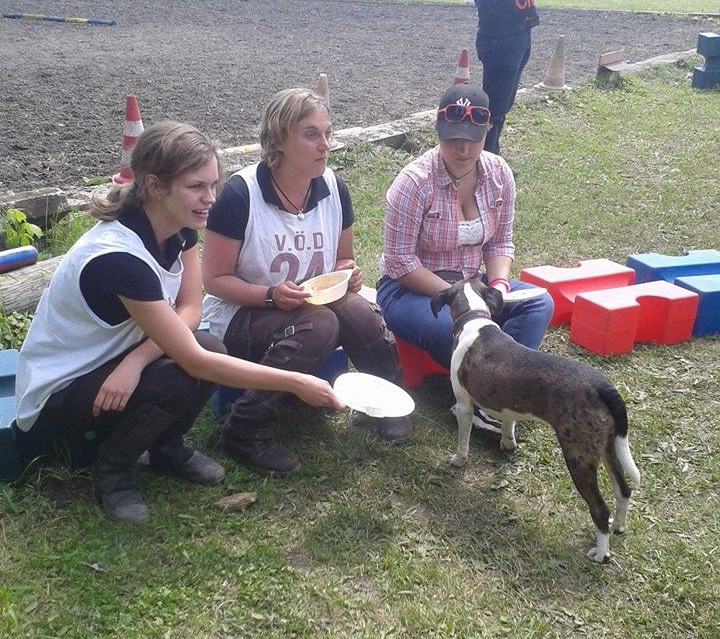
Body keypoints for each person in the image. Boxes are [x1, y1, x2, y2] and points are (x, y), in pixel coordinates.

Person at [13, 121, 343, 525]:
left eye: (213, 184)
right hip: (60, 392)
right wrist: (295, 382)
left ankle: (166, 447)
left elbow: (190, 311)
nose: (211, 198)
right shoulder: (119, 258)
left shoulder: (179, 228)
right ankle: (113, 470)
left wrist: (135, 361)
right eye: (196, 187)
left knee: (209, 345)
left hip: (115, 364)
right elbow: (194, 360)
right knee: (182, 374)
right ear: (154, 185)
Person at [201, 87, 411, 476]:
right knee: (320, 323)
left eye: (327, 133)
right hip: (241, 313)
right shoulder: (241, 194)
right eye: (311, 134)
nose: (325, 145)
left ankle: (389, 398)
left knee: (361, 312)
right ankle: (246, 429)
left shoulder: (332, 187)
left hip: (310, 302)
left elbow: (342, 257)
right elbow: (214, 280)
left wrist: (347, 272)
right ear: (278, 140)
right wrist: (269, 295)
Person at [376, 83, 554, 435]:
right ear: (438, 132)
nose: (464, 148)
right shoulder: (414, 182)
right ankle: (496, 395)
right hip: (411, 289)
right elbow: (400, 262)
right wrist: (463, 299)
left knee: (538, 303)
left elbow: (500, 242)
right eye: (453, 139)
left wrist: (498, 286)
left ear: (487, 131)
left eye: (474, 138)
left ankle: (492, 395)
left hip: (471, 283)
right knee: (450, 329)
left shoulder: (498, 173)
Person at [473, 0, 540, 156]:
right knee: (494, 108)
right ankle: (486, 158)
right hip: (500, 34)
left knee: (503, 105)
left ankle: (490, 154)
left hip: (520, 30)